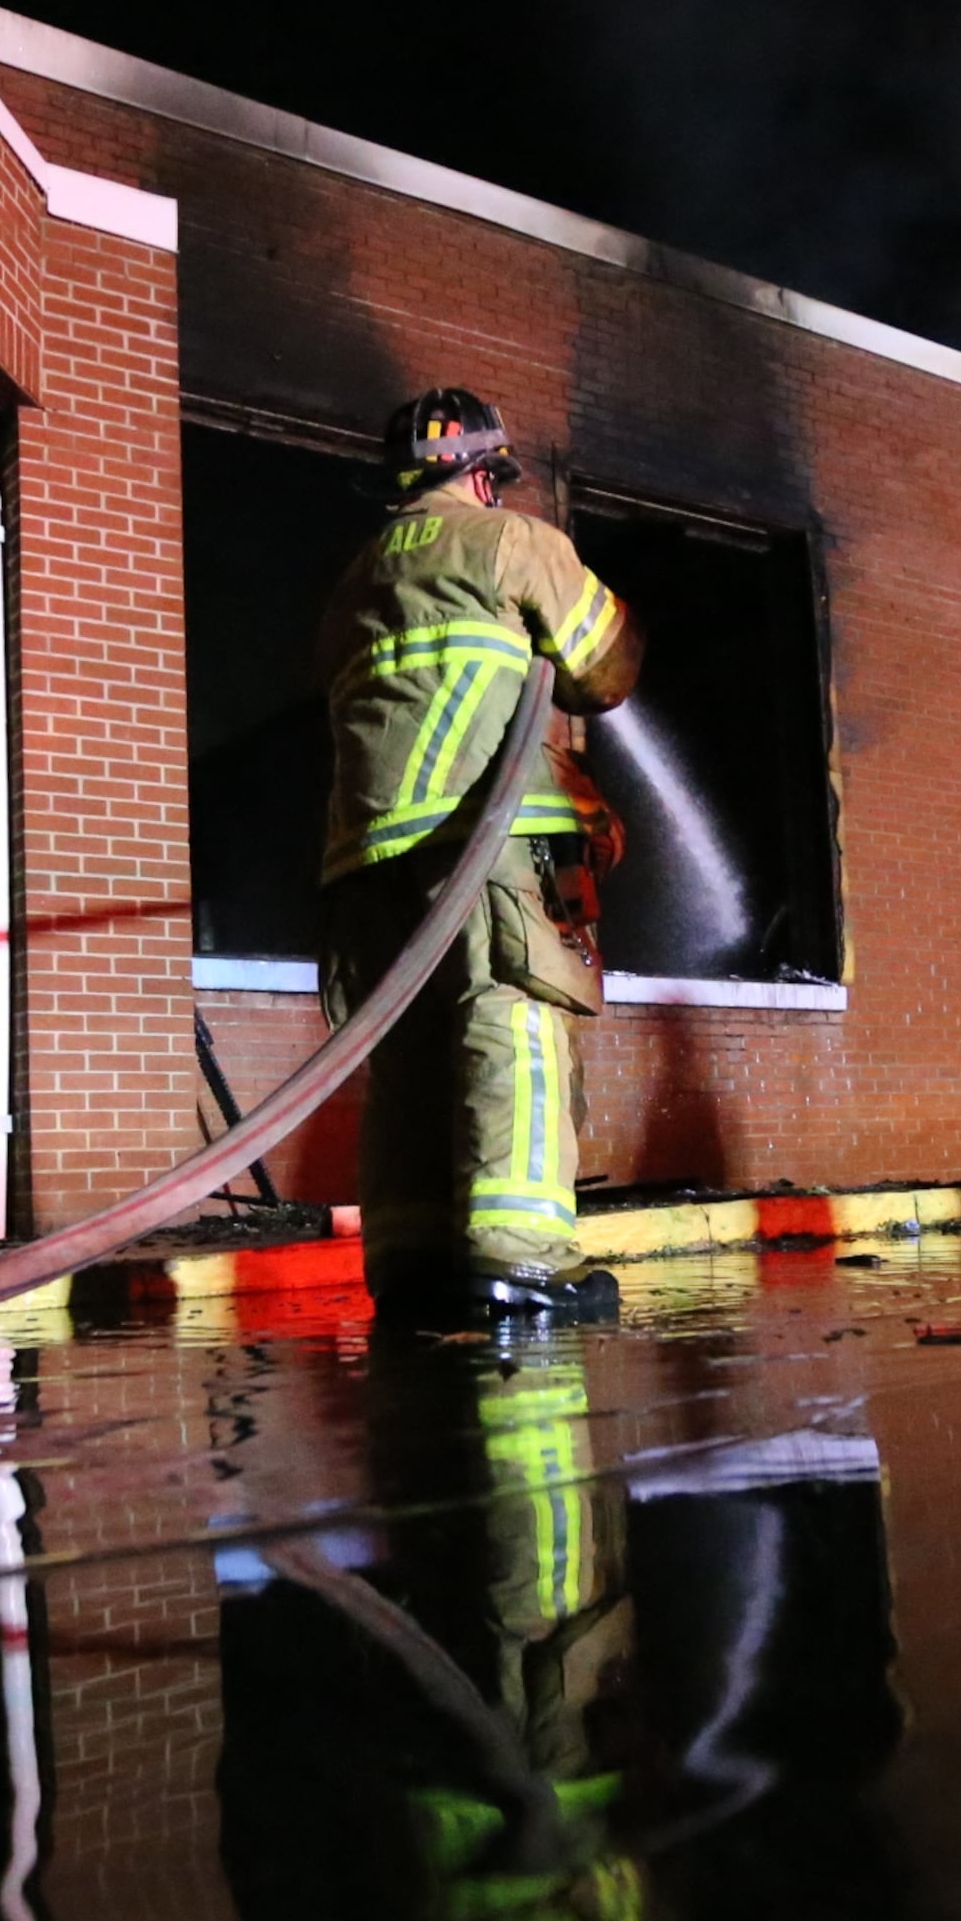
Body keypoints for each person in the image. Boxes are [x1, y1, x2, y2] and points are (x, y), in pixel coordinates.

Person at [318, 387, 644, 1321]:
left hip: (366, 863)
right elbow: (607, 667)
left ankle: (413, 1263)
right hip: (479, 845)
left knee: (411, 1062)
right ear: (487, 474)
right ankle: (523, 1260)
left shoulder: (355, 579)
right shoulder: (510, 543)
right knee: (514, 1030)